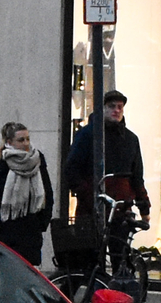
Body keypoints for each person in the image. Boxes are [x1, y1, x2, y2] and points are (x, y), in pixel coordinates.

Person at [63, 90, 147, 222]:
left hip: (120, 209)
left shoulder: (130, 139)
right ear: (102, 108)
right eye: (112, 106)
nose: (117, 110)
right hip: (91, 210)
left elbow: (137, 176)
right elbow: (71, 170)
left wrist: (144, 207)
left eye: (120, 107)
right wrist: (90, 194)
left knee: (118, 240)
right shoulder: (87, 135)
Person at [0, 121, 51, 266]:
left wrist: (42, 223)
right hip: (7, 233)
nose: (26, 143)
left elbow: (47, 193)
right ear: (9, 142)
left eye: (27, 139)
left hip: (30, 231)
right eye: (21, 140)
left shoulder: (37, 161)